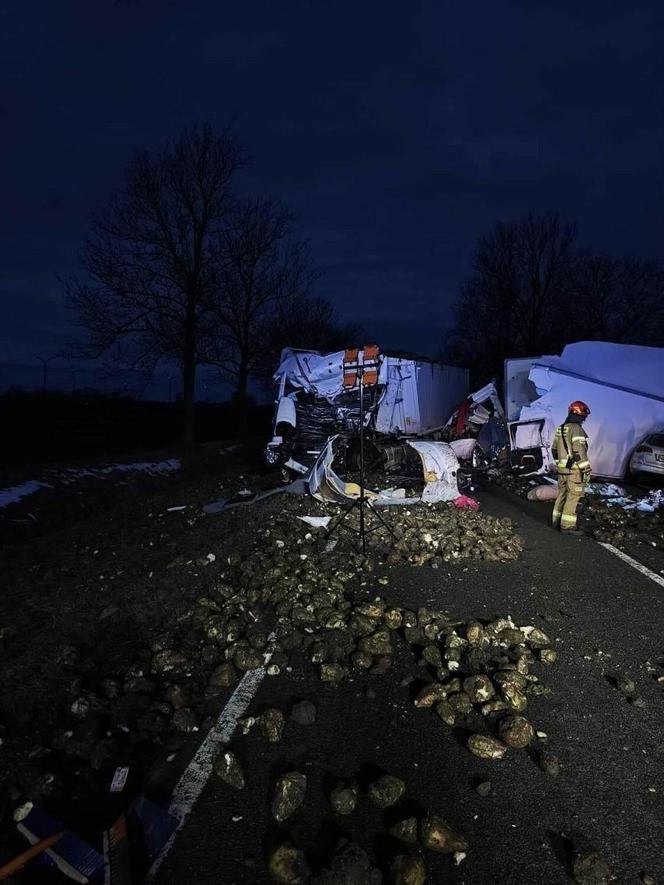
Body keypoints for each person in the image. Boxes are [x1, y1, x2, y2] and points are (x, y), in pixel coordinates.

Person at [551, 400, 591, 532]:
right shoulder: (577, 429)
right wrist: (586, 469)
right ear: (580, 414)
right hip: (574, 471)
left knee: (562, 494)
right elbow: (578, 451)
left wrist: (560, 465)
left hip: (562, 471)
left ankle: (556, 521)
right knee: (573, 496)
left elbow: (554, 450)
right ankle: (567, 526)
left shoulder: (561, 428)